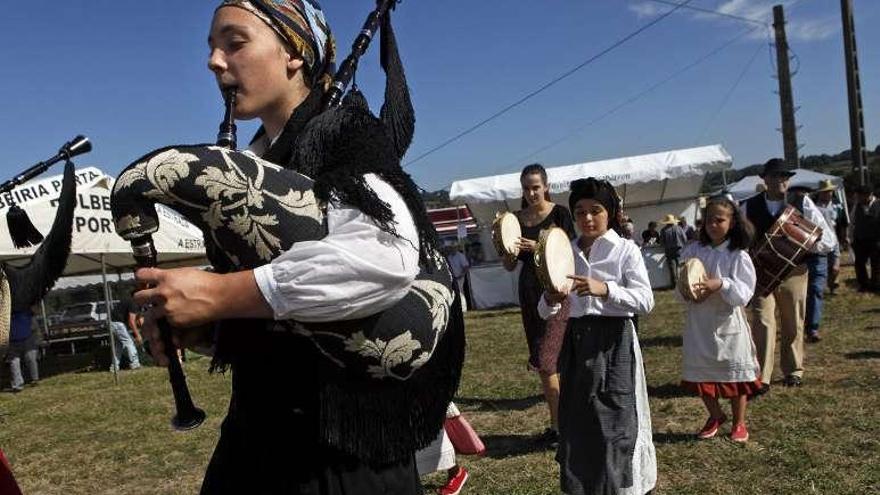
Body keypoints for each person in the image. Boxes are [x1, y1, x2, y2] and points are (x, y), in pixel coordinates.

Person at [132, 2, 462, 493]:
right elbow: (279, 319)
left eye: (234, 42)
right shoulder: (253, 165)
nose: (214, 61)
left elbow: (382, 257)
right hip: (259, 440)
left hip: (340, 461)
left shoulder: (343, 135)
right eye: (212, 48)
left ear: (294, 54)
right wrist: (197, 327)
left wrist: (220, 295)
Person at [538, 178, 656, 495]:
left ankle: (620, 487)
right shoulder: (565, 252)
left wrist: (605, 289)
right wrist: (550, 298)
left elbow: (646, 301)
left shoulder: (625, 251)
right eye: (580, 211)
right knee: (578, 422)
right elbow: (544, 309)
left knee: (615, 422)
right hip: (576, 342)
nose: (588, 218)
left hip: (614, 341)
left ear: (610, 212)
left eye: (596, 210)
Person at [742, 159, 834, 391]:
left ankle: (793, 370)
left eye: (784, 175)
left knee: (793, 320)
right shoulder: (749, 206)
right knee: (762, 321)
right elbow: (740, 239)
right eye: (775, 176)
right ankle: (761, 377)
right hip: (762, 274)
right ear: (764, 179)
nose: (781, 180)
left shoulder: (801, 201)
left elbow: (827, 240)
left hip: (794, 271)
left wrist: (804, 241)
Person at [502, 163, 576, 448]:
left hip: (557, 289)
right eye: (526, 188)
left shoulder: (560, 213)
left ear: (546, 185)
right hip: (529, 290)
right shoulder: (515, 219)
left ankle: (563, 426)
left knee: (549, 360)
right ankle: (558, 425)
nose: (531, 192)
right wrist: (507, 250)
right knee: (545, 361)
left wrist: (537, 248)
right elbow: (509, 265)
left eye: (536, 186)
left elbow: (570, 251)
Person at [678, 196, 761, 443]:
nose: (713, 225)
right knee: (700, 374)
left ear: (732, 222)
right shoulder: (694, 251)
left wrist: (721, 283)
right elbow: (682, 286)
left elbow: (744, 294)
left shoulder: (738, 256)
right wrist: (689, 293)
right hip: (699, 323)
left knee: (735, 376)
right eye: (708, 221)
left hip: (728, 323)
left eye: (719, 220)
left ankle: (739, 422)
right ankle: (715, 415)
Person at [813, 179, 848, 295]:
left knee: (835, 267)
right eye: (825, 191)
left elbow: (842, 223)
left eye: (830, 191)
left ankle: (833, 284)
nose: (828, 193)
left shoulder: (837, 206)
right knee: (824, 267)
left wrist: (844, 237)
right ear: (820, 193)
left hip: (834, 240)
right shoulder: (814, 207)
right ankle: (829, 285)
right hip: (821, 242)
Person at [850, 185, 880, 292]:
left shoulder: (878, 204)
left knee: (876, 263)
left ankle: (875, 284)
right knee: (859, 263)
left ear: (869, 195)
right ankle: (864, 284)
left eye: (860, 196)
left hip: (875, 240)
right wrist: (851, 238)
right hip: (860, 239)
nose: (858, 198)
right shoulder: (857, 205)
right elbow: (852, 221)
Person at [5, 309, 39, 393]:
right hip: (13, 339)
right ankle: (17, 384)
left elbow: (34, 324)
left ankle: (34, 379)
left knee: (30, 358)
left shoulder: (25, 308)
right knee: (14, 362)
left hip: (26, 337)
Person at [109, 300, 141, 372]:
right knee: (129, 343)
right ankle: (135, 364)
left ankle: (114, 367)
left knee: (118, 346)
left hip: (112, 322)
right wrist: (138, 335)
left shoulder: (131, 303)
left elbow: (139, 320)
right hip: (117, 323)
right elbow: (131, 322)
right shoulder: (134, 304)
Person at [659, 214, 687, 286]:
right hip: (680, 249)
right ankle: (683, 282)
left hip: (669, 250)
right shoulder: (679, 228)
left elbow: (661, 243)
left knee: (672, 268)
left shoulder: (663, 230)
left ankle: (675, 284)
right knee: (681, 266)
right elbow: (685, 239)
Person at [446, 243, 471, 312]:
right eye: (451, 248)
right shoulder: (449, 257)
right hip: (452, 278)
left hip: (459, 277)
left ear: (456, 248)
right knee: (454, 293)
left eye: (453, 247)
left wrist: (461, 275)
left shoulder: (460, 256)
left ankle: (463, 309)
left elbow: (466, 267)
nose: (452, 249)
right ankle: (458, 309)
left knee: (460, 292)